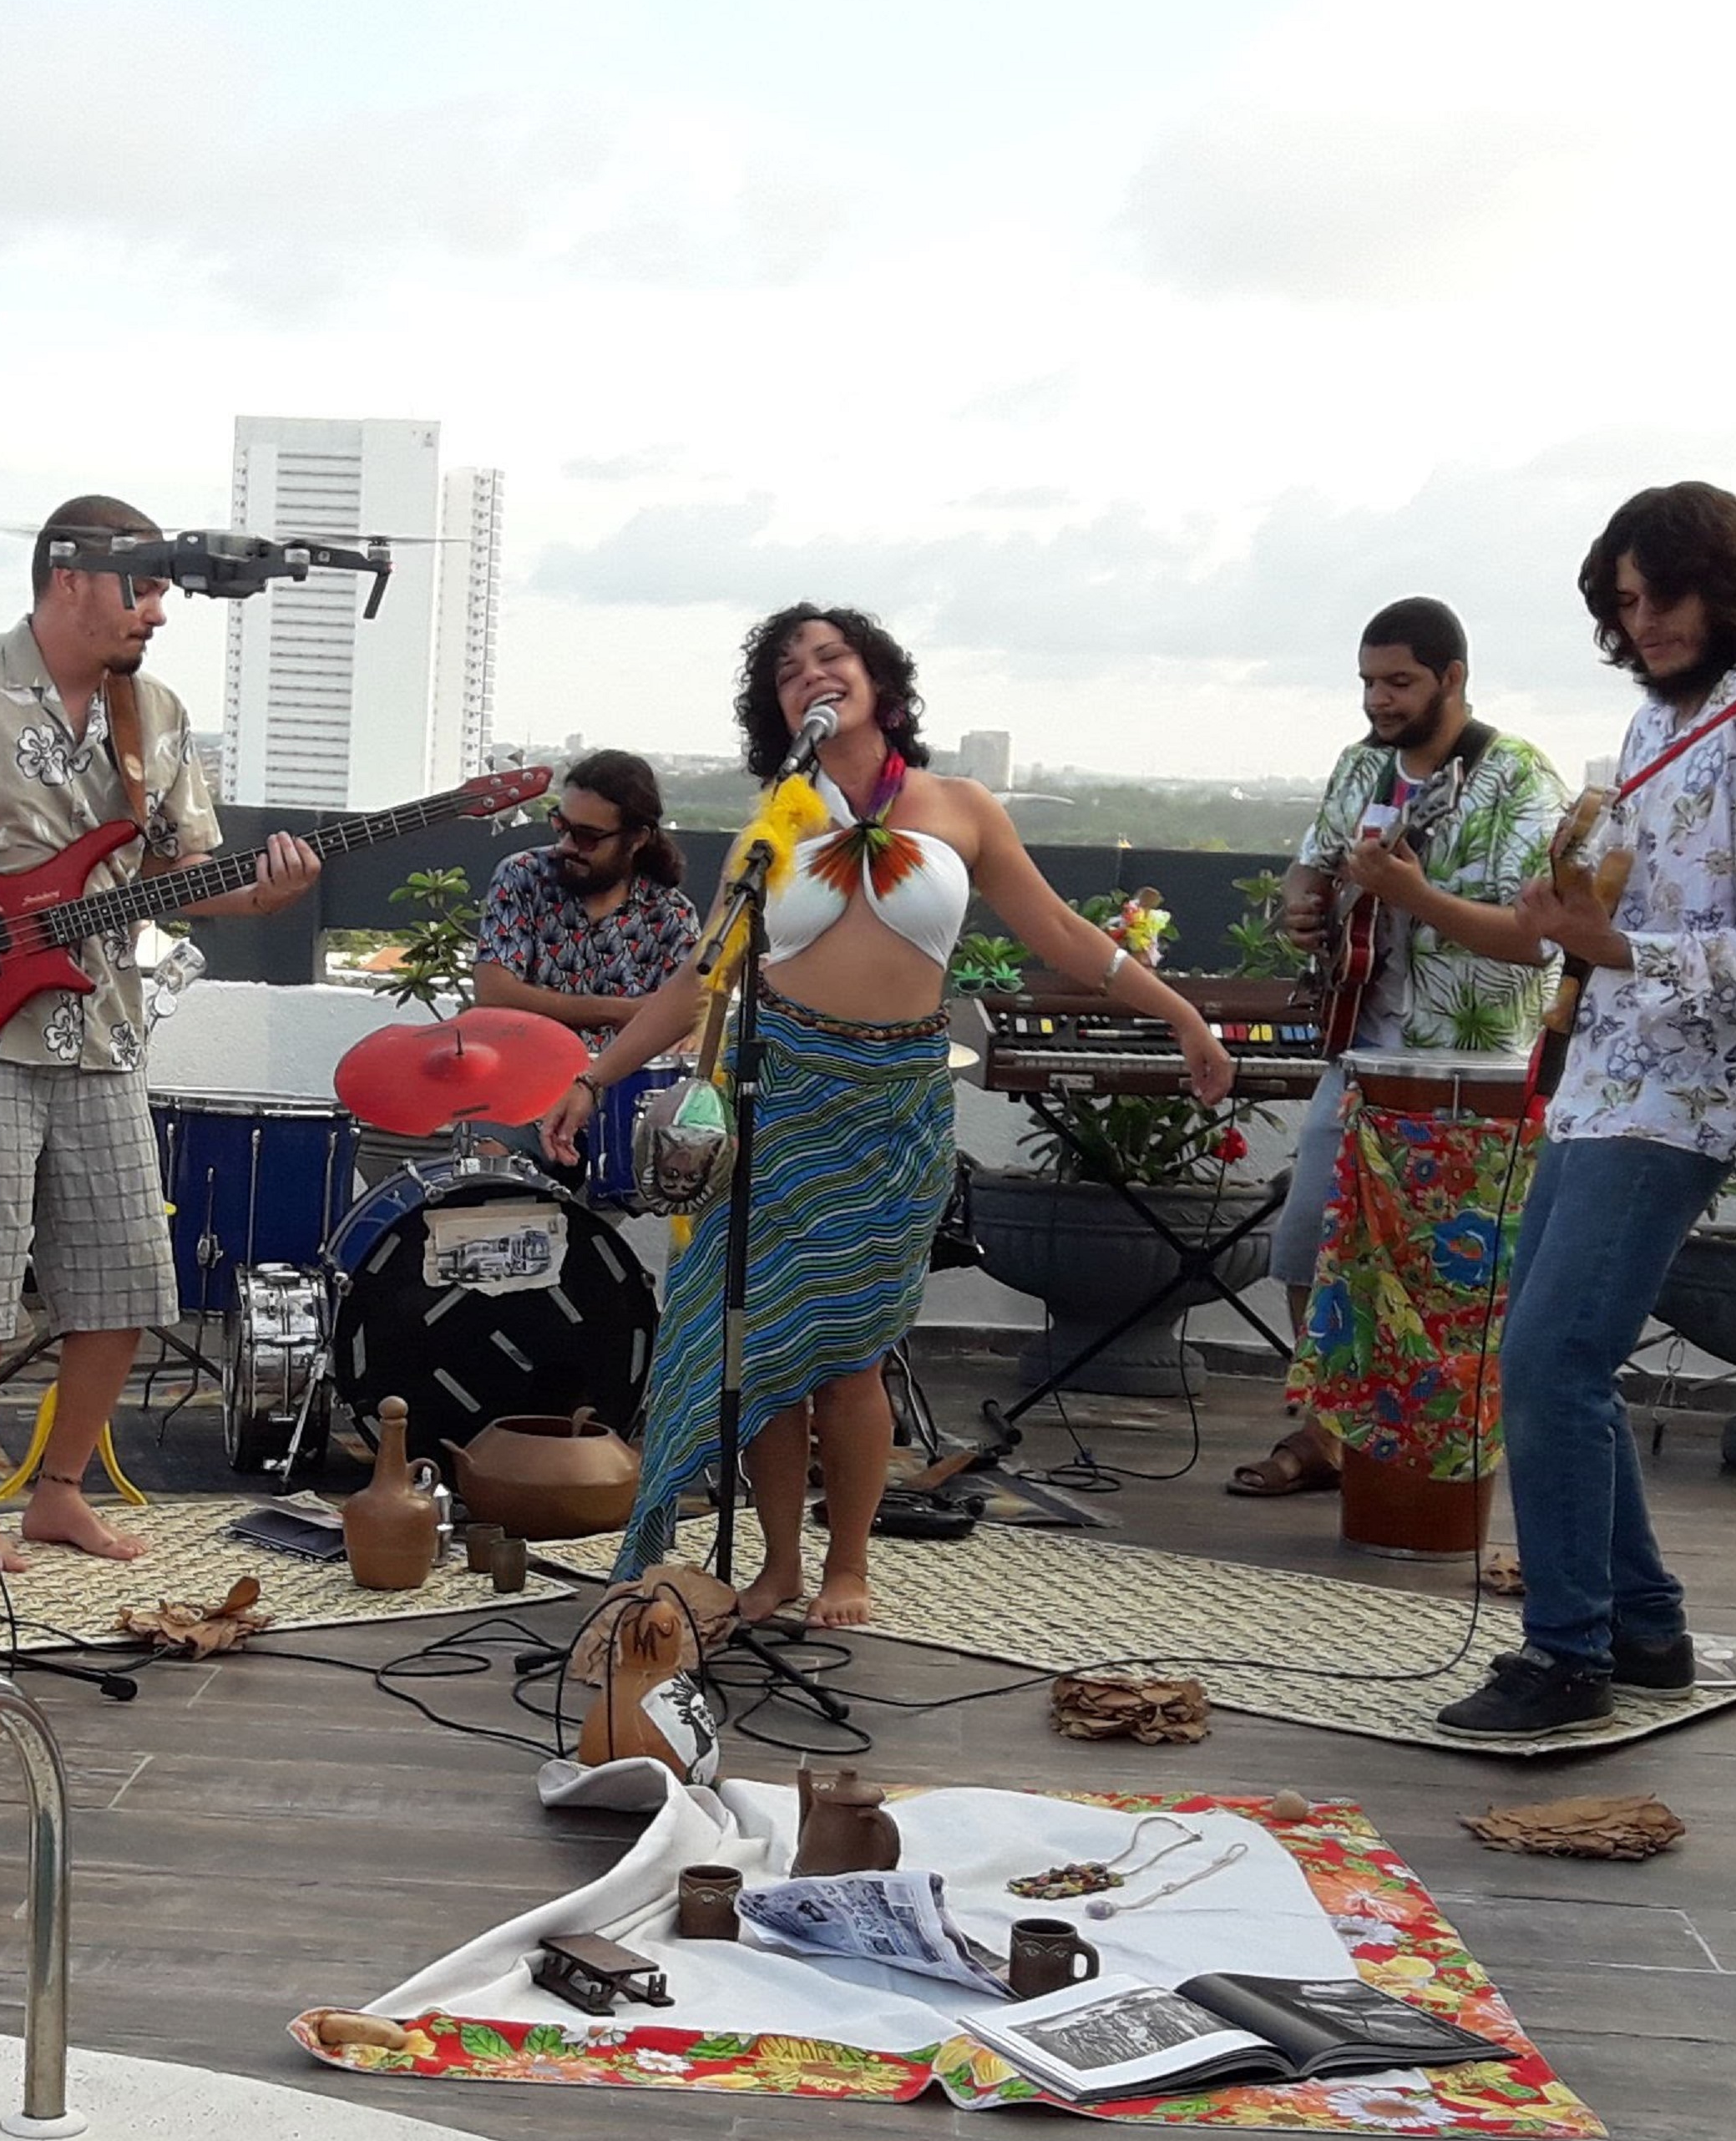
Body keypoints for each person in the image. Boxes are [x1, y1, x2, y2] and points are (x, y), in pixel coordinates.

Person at [542, 605, 1232, 1627]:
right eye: (789, 671)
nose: (812, 676)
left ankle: (850, 1568)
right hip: (780, 1096)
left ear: (880, 681)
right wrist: (597, 1077)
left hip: (893, 1107)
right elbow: (701, 976)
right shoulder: (775, 827)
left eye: (831, 656)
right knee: (765, 1345)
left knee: (853, 1350)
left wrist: (1181, 1016)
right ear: (778, 711)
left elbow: (1059, 930)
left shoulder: (961, 808)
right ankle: (778, 1566)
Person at [0, 494, 321, 1573]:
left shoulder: (153, 713)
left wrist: (265, 893)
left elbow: (178, 870)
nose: (157, 609)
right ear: (70, 577)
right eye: (141, 587)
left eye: (160, 590)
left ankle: (57, 1491)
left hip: (104, 1027)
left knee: (128, 1277)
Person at [1440, 484, 1736, 1735]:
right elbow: (1632, 910)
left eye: (1663, 593)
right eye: (1624, 600)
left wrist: (1617, 946)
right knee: (1552, 1357)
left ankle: (1566, 1653)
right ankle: (1642, 1630)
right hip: (1603, 1077)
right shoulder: (1659, 720)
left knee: (1552, 1360)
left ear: (1728, 586)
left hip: (1681, 1091)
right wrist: (1572, 921)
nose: (1641, 621)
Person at [1232, 600, 1566, 1496]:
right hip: (1360, 1051)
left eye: (1400, 682)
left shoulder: (1518, 779)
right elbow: (1314, 862)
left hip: (1473, 1072)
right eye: (1369, 682)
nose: (1378, 700)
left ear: (1452, 677)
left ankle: (1430, 1454)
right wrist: (1303, 905)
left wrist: (1412, 894)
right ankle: (1329, 1438)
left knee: (1444, 1275)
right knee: (1307, 1245)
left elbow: (1534, 940)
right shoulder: (1360, 765)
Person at [469, 747, 699, 1036]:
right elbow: (493, 994)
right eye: (561, 825)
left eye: (587, 837)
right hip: (526, 1062)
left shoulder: (673, 917)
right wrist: (619, 1011)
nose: (566, 845)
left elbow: (683, 1018)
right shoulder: (524, 876)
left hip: (621, 1067)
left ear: (637, 839)